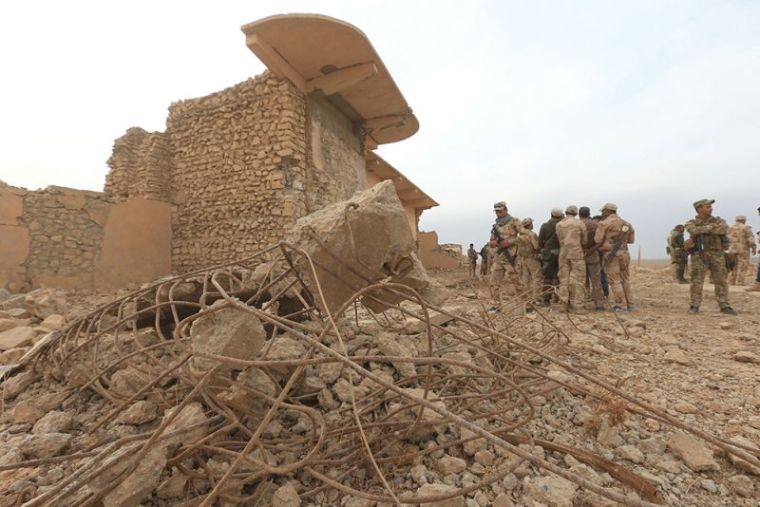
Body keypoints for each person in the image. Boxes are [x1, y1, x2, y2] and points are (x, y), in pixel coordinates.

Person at [684, 198, 736, 314]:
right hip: (699, 254)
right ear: (699, 209)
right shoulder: (691, 222)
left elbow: (723, 229)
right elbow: (693, 231)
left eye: (710, 206)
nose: (710, 208)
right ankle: (694, 305)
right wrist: (711, 227)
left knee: (721, 280)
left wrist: (704, 229)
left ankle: (724, 305)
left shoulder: (719, 220)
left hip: (717, 254)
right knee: (697, 281)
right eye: (707, 206)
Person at [594, 203, 635, 312]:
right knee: (625, 279)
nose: (602, 213)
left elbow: (597, 240)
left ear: (607, 211)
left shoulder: (604, 223)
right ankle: (630, 304)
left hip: (611, 254)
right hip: (625, 253)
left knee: (615, 280)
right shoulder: (627, 224)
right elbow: (631, 240)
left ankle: (621, 305)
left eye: (603, 211)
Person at [489, 201, 524, 304]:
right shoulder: (495, 226)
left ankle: (526, 304)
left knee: (517, 282)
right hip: (499, 257)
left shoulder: (515, 221)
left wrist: (510, 242)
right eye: (496, 211)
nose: (498, 213)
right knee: (494, 282)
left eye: (500, 211)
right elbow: (491, 241)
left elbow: (525, 236)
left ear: (505, 210)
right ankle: (496, 305)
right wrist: (494, 243)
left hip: (512, 257)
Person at [556, 205, 587, 312]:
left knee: (563, 279)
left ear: (566, 212)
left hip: (563, 253)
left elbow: (559, 239)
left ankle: (563, 304)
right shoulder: (579, 223)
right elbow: (584, 240)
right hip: (576, 253)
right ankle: (578, 306)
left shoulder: (559, 224)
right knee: (578, 279)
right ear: (576, 213)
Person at [579, 206, 605, 310]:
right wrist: (592, 249)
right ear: (589, 213)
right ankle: (599, 304)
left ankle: (584, 303)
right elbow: (600, 241)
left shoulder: (577, 224)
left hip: (580, 255)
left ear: (579, 214)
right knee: (596, 280)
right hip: (593, 254)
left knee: (582, 281)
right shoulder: (596, 225)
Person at [538, 208, 563, 305]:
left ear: (551, 215)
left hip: (549, 255)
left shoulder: (545, 226)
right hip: (561, 254)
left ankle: (546, 300)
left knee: (547, 277)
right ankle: (560, 298)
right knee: (560, 277)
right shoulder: (563, 226)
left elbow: (540, 242)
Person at [516, 217, 542, 302]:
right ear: (530, 225)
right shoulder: (531, 234)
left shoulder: (520, 236)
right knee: (536, 278)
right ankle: (535, 298)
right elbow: (536, 246)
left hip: (522, 259)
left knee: (525, 279)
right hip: (532, 259)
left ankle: (526, 298)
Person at [727, 216, 756, 285]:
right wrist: (753, 247)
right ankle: (740, 282)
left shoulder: (729, 227)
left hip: (732, 248)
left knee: (733, 265)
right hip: (743, 249)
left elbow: (726, 238)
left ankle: (731, 281)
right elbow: (750, 238)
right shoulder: (745, 227)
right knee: (743, 265)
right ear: (743, 220)